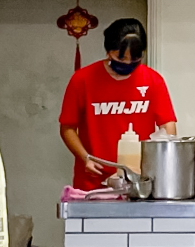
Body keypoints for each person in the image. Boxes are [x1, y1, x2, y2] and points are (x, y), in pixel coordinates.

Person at [59, 18, 177, 191]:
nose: (128, 63)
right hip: (94, 182)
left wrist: (162, 160)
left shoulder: (153, 80)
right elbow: (67, 127)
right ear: (108, 51)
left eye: (135, 59)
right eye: (121, 58)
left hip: (140, 181)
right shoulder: (82, 80)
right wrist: (85, 158)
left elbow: (168, 124)